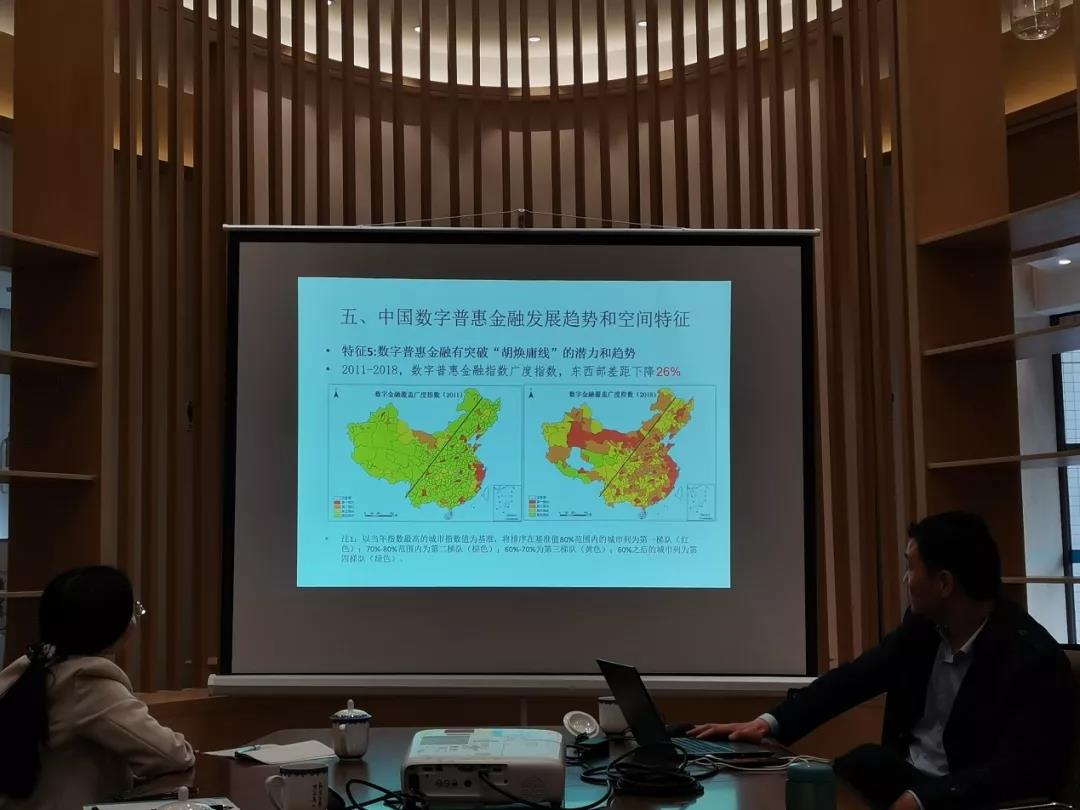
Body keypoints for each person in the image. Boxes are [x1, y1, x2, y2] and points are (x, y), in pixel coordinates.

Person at [691, 511, 1075, 810]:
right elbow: (853, 680)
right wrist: (768, 723)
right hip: (902, 781)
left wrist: (925, 799)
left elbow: (1020, 770)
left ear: (944, 583)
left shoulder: (1031, 659)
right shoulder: (923, 628)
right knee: (840, 771)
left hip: (964, 798)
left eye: (911, 567)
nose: (905, 580)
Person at [0, 566, 195, 808]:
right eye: (133, 610)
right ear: (113, 625)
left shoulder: (29, 665)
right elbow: (173, 756)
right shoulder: (88, 682)